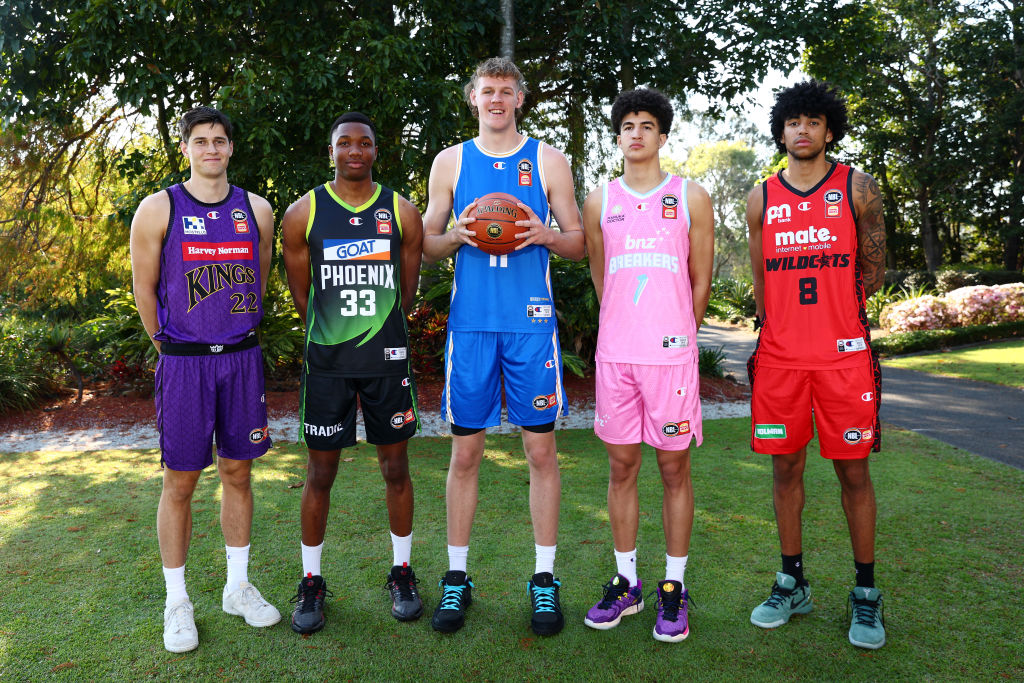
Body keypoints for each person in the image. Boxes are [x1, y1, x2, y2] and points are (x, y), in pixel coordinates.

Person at [421, 57, 585, 636]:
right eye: (487, 90)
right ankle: (456, 578)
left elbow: (579, 242)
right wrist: (456, 235)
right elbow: (427, 244)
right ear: (473, 97)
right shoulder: (450, 161)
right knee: (465, 454)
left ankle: (544, 579)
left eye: (506, 91)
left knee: (541, 452)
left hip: (530, 326)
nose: (496, 99)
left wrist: (545, 234)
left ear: (519, 98)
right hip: (471, 326)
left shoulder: (548, 159)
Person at [130, 106, 280, 653]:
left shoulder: (256, 209)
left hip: (240, 359)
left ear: (231, 148)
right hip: (185, 364)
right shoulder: (158, 208)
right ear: (186, 148)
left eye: (219, 140)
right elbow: (144, 288)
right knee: (181, 481)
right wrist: (168, 345)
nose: (211, 149)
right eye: (200, 140)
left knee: (238, 472)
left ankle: (237, 588)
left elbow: (259, 276)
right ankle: (177, 601)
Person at [745, 80, 887, 649]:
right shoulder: (760, 197)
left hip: (842, 359)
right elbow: (761, 278)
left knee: (853, 473)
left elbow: (872, 270)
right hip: (781, 359)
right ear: (781, 131)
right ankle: (792, 582)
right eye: (792, 122)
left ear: (829, 131)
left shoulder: (858, 187)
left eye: (813, 122)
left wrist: (837, 317)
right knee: (785, 470)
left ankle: (866, 592)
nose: (802, 131)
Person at [281, 112, 424, 634]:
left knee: (396, 469)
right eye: (345, 143)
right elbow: (302, 296)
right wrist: (337, 333)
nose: (355, 150)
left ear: (375, 152)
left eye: (364, 142)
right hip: (329, 364)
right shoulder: (304, 212)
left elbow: (406, 292)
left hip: (387, 361)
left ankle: (402, 572)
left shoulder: (401, 211)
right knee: (320, 474)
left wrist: (374, 329)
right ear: (332, 151)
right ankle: (311, 582)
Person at [580, 89, 714, 642]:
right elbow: (600, 275)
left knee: (674, 470)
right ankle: (627, 583)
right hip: (617, 357)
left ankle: (673, 587)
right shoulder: (598, 200)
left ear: (662, 136)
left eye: (646, 125)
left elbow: (700, 279)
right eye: (627, 125)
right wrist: (624, 326)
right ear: (618, 136)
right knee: (621, 469)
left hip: (670, 359)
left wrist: (678, 334)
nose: (636, 134)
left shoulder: (690, 196)